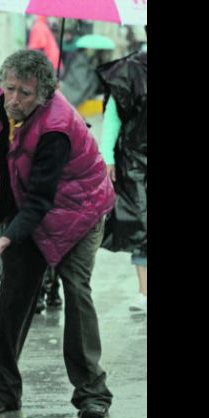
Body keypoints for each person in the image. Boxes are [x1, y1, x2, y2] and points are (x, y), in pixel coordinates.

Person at [0, 43, 116, 418]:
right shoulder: (11, 100)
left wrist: (4, 240)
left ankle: (92, 391)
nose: (14, 99)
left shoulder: (56, 128)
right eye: (10, 88)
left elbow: (40, 201)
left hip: (79, 210)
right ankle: (3, 391)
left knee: (76, 290)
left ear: (43, 95)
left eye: (25, 93)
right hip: (32, 208)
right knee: (12, 297)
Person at [96, 43, 147, 313]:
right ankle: (144, 291)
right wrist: (107, 156)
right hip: (135, 161)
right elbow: (113, 116)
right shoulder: (129, 70)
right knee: (142, 224)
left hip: (134, 159)